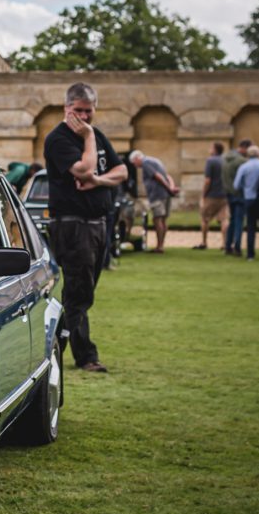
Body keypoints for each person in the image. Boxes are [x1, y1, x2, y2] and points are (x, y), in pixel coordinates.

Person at [44, 82, 128, 373]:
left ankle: (64, 349)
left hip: (98, 223)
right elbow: (84, 169)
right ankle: (76, 353)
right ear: (66, 108)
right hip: (72, 224)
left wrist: (99, 181)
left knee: (82, 292)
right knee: (79, 294)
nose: (83, 116)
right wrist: (89, 137)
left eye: (88, 111)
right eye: (77, 110)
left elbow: (121, 171)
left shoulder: (98, 134)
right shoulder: (59, 139)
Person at [129, 150, 180, 253]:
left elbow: (159, 177)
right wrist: (171, 187)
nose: (135, 166)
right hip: (165, 194)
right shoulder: (155, 160)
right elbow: (167, 176)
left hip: (157, 195)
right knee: (163, 220)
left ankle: (159, 247)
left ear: (137, 158)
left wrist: (169, 189)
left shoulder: (146, 163)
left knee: (157, 220)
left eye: (134, 163)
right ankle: (161, 245)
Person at [195, 141, 228, 250]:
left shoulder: (210, 161)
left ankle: (204, 242)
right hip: (224, 194)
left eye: (211, 147)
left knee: (205, 219)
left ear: (215, 150)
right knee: (224, 219)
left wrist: (203, 195)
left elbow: (207, 181)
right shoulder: (225, 160)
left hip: (212, 195)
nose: (209, 149)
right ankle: (224, 243)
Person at [221, 139, 251, 256]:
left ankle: (228, 246)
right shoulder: (242, 161)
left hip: (228, 193)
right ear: (244, 148)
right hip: (239, 193)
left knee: (232, 220)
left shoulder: (225, 158)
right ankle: (237, 247)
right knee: (239, 221)